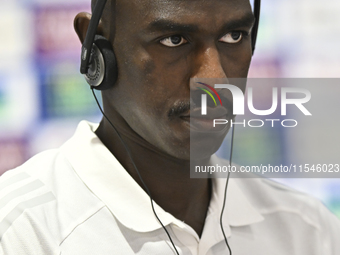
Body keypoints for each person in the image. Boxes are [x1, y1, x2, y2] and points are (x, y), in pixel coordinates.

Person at [0, 0, 339, 254]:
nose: (215, 80)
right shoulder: (21, 232)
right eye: (174, 40)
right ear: (96, 50)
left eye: (234, 36)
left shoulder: (306, 229)